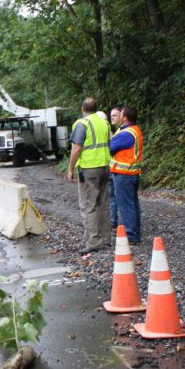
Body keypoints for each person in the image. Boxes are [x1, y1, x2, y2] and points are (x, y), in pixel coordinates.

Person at [67, 97, 111, 254]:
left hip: (89, 168)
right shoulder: (104, 123)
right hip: (105, 166)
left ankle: (93, 242)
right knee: (103, 203)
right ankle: (106, 239)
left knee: (88, 205)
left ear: (82, 109)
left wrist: (70, 168)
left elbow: (77, 148)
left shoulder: (82, 124)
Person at [109, 106, 143, 244]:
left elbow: (110, 148)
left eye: (120, 114)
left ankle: (131, 236)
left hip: (124, 175)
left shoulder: (126, 134)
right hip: (131, 174)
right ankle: (134, 234)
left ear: (125, 117)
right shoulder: (134, 130)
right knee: (133, 204)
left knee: (126, 206)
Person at [108, 106, 123, 230]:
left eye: (115, 115)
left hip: (120, 170)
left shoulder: (120, 132)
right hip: (114, 169)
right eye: (111, 115)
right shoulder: (115, 131)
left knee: (115, 196)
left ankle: (117, 222)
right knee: (112, 196)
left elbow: (112, 150)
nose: (112, 117)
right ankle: (113, 221)